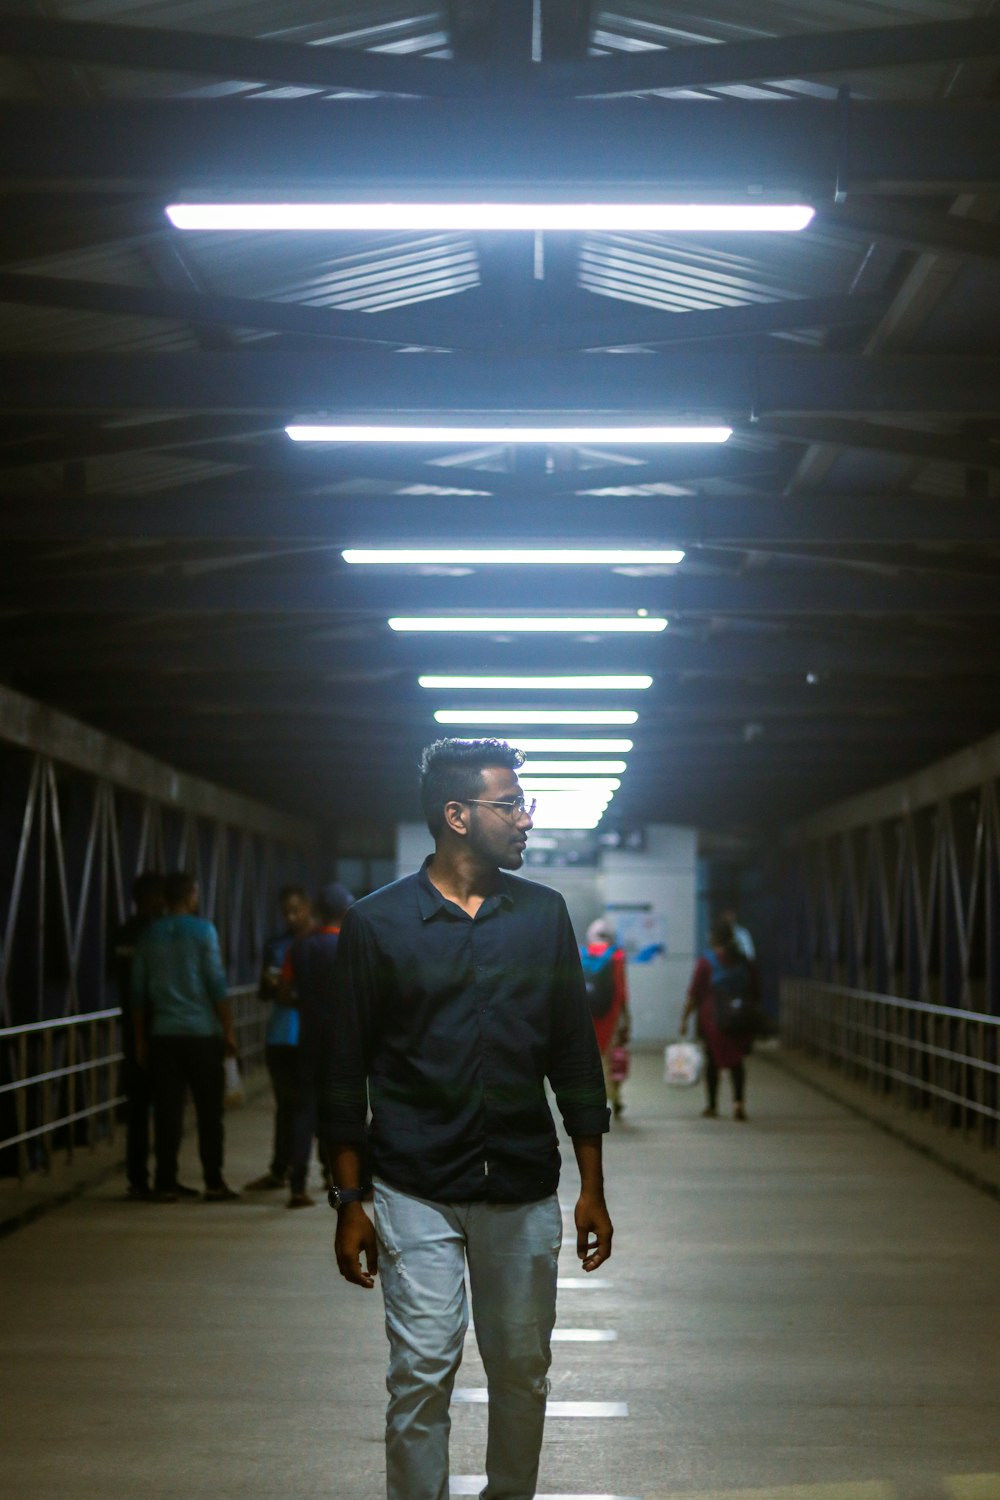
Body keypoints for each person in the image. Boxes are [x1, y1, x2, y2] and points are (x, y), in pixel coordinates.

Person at [317, 737, 613, 1500]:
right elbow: (343, 1074)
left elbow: (574, 1057)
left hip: (519, 1184)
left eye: (524, 803)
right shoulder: (377, 925)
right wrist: (350, 1201)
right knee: (420, 1370)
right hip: (415, 1186)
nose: (525, 819)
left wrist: (592, 1185)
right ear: (457, 816)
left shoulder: (543, 916)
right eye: (509, 804)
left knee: (522, 1369)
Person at [132, 870, 239, 1202]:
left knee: (168, 1112)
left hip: (163, 1035)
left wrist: (140, 1040)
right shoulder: (203, 931)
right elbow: (216, 983)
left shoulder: (149, 934)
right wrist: (229, 1030)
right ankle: (213, 1181)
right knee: (209, 1113)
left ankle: (165, 1182)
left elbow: (137, 993)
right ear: (191, 894)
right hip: (201, 1033)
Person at [275, 881, 355, 1209]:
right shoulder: (349, 946)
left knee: (303, 1110)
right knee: (343, 1112)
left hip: (306, 1039)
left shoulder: (301, 945)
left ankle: (297, 1185)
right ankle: (346, 1181)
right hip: (342, 1043)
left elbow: (283, 990)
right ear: (345, 910)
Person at [244, 883, 315, 1195]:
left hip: (310, 1037)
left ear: (308, 907)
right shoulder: (276, 944)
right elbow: (265, 992)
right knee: (286, 1107)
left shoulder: (319, 942)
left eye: (296, 909)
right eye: (286, 911)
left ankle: (326, 1172)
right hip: (281, 1037)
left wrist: (288, 989)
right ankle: (280, 1169)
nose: (291, 916)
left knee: (313, 1107)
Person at [113, 870, 166, 1200]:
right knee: (159, 1108)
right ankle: (156, 1178)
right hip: (154, 1029)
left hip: (136, 1031)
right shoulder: (156, 934)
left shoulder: (123, 933)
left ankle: (141, 1178)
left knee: (140, 1108)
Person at [680, 915, 757, 1122]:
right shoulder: (744, 961)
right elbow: (755, 990)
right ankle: (738, 1103)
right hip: (739, 1019)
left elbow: (694, 994)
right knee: (737, 1062)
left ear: (713, 938)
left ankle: (712, 1106)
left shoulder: (706, 962)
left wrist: (684, 1020)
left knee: (713, 1061)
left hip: (713, 1020)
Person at [581, 917, 630, 1118]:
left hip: (585, 1014)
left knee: (586, 1058)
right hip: (610, 1015)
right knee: (612, 1058)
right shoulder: (616, 956)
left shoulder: (580, 952)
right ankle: (615, 1098)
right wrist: (626, 1019)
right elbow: (620, 991)